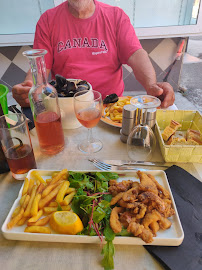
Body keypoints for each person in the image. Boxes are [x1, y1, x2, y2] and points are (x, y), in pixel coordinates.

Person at [12, 0, 175, 108]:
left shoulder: (116, 16)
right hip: (67, 108)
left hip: (109, 107)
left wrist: (151, 86)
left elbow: (136, 55)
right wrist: (29, 88)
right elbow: (40, 65)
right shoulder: (48, 20)